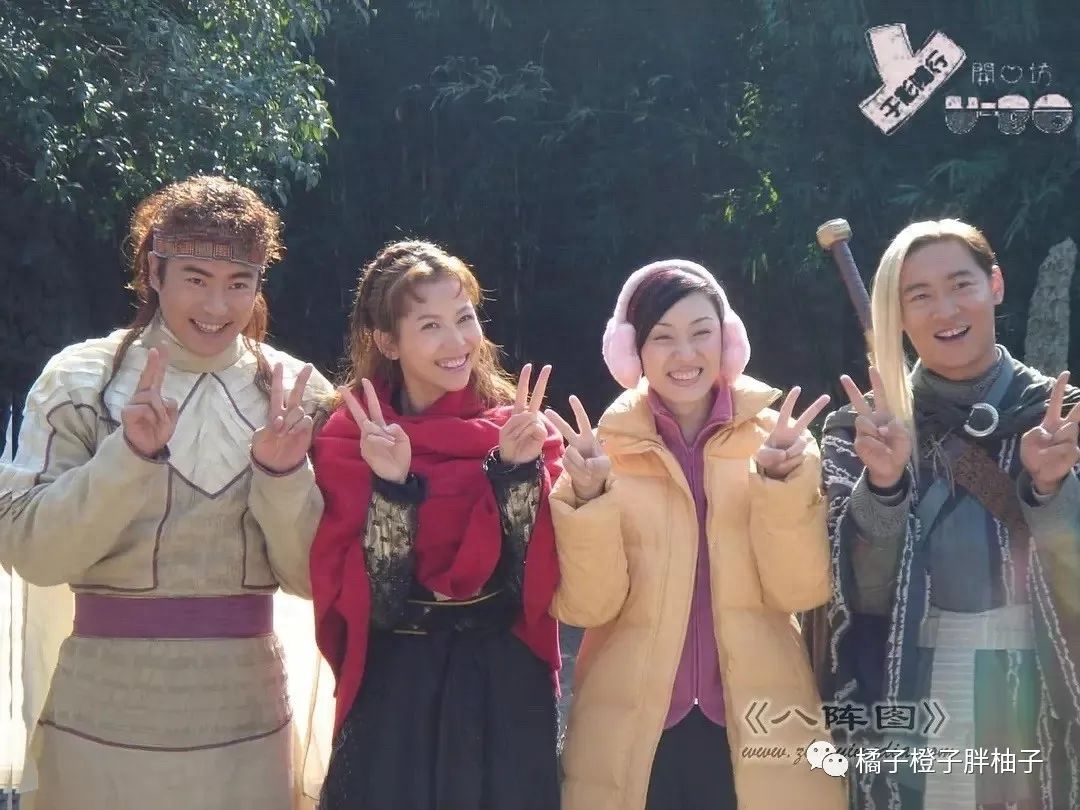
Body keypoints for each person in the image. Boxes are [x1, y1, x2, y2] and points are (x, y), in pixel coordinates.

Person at [0, 175, 333, 810]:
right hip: (101, 717)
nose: (217, 305)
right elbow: (31, 552)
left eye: (239, 282)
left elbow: (315, 577)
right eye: (196, 278)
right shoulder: (82, 379)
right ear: (154, 271)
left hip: (247, 722)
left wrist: (284, 475)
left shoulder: (296, 395)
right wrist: (128, 457)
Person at [546, 259, 845, 810]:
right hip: (634, 729)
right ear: (633, 351)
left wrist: (780, 487)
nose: (685, 354)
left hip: (756, 722)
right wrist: (588, 499)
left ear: (728, 341)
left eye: (701, 333)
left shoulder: (778, 443)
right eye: (663, 337)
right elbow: (589, 607)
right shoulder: (600, 455)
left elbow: (799, 592)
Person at [821, 219, 1080, 808]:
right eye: (919, 296)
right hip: (912, 685)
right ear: (897, 315)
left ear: (996, 285)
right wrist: (883, 486)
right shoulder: (863, 430)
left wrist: (1052, 488)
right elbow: (856, 597)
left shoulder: (1063, 420)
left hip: (1042, 687)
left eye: (961, 284)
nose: (945, 310)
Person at [310, 240, 564, 810]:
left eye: (465, 318)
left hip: (504, 683)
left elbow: (536, 587)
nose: (457, 342)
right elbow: (374, 606)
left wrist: (515, 472)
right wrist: (393, 487)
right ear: (387, 342)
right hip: (398, 688)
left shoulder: (521, 429)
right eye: (430, 326)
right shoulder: (351, 438)